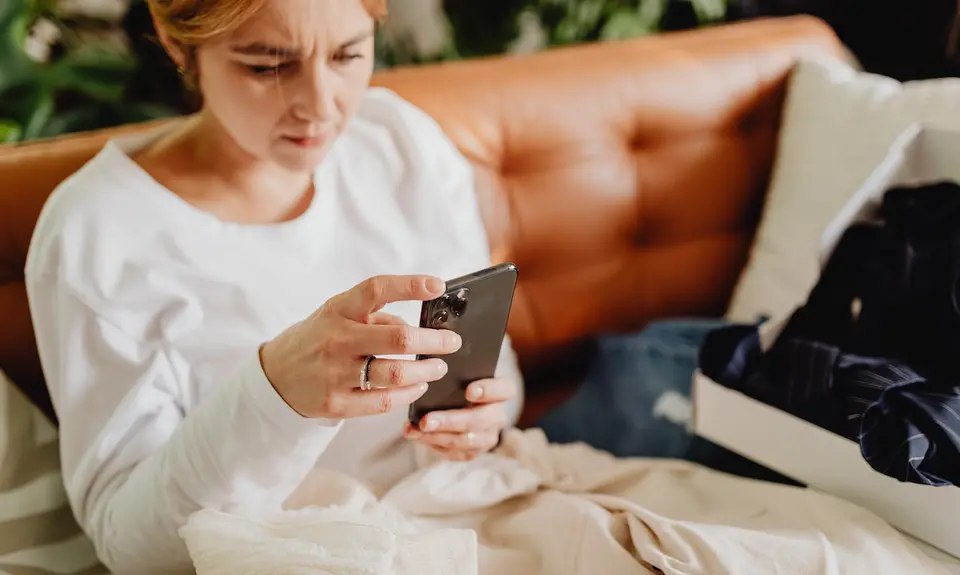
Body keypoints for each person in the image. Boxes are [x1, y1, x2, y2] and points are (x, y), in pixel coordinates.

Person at [24, 0, 524, 572]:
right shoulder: (100, 233)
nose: (321, 105)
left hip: (467, 515)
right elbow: (132, 550)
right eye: (266, 66)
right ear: (175, 41)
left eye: (348, 54)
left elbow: (499, 377)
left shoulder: (397, 141)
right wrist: (275, 396)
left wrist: (478, 422)